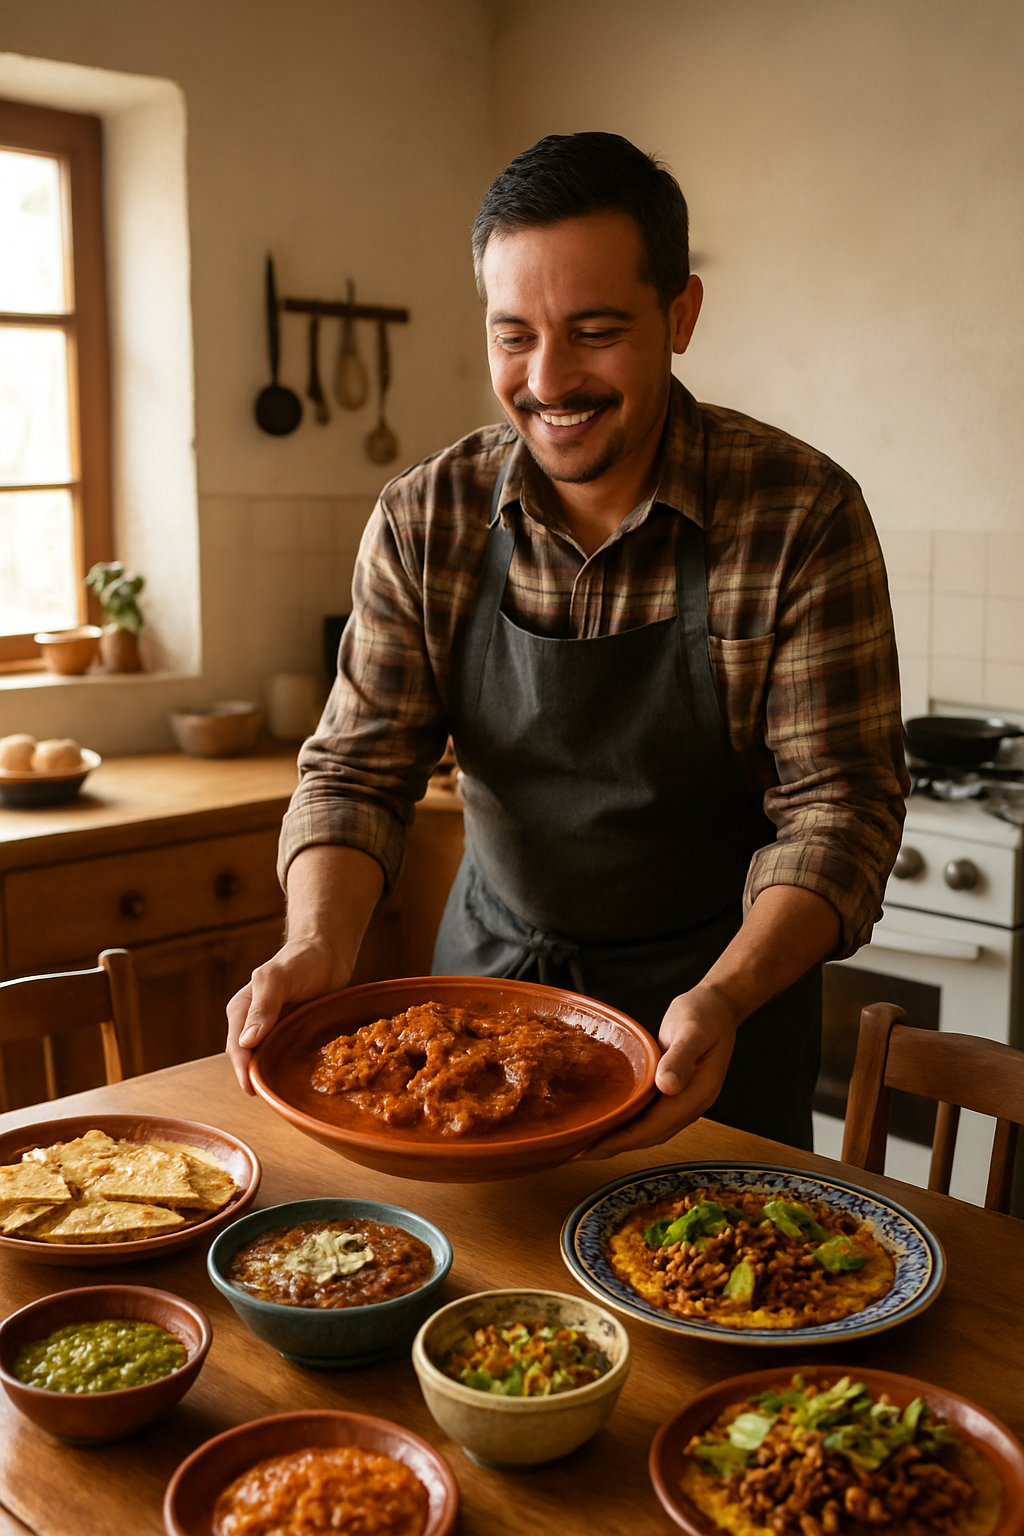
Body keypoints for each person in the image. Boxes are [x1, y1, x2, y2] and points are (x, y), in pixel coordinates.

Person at [227, 132, 908, 1155]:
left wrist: (721, 998)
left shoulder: (797, 514)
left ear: (679, 315)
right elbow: (357, 772)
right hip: (475, 1005)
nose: (547, 380)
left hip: (716, 1023)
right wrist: (316, 945)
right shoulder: (427, 518)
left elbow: (839, 811)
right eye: (513, 337)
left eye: (593, 332)